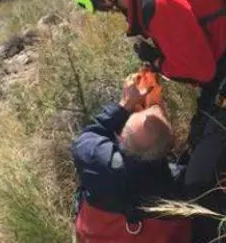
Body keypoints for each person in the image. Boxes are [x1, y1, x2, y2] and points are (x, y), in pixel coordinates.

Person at [67, 0, 226, 242]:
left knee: (197, 182)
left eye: (101, 7)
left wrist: (158, 64)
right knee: (196, 153)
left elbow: (202, 69)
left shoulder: (157, 2)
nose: (108, 11)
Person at [72, 74, 191, 243]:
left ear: (120, 138)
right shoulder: (180, 183)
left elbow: (89, 135)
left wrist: (125, 105)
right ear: (169, 147)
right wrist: (157, 109)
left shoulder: (96, 163)